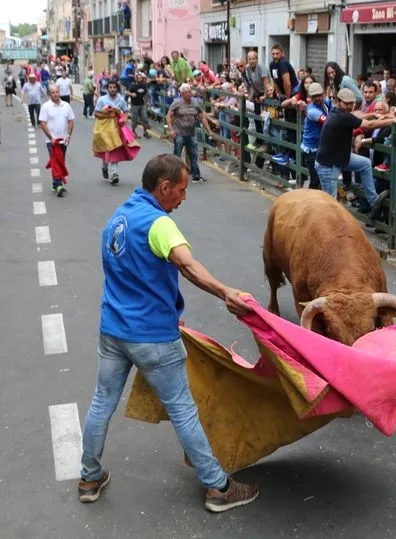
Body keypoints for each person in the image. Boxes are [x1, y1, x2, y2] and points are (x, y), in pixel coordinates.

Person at [79, 153, 260, 513]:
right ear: (164, 187)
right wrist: (225, 292)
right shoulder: (158, 224)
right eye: (181, 189)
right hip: (151, 336)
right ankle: (218, 487)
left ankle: (89, 477)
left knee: (102, 402)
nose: (184, 196)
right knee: (183, 410)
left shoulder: (118, 218)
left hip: (113, 329)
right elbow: (188, 266)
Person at [314, 88, 393, 211]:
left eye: (351, 103)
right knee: (330, 206)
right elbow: (369, 125)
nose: (349, 106)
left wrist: (372, 115)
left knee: (365, 164)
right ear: (337, 101)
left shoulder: (337, 111)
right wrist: (392, 120)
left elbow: (356, 114)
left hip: (339, 158)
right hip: (328, 165)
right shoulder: (341, 117)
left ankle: (373, 200)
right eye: (346, 103)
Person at [165, 83, 213, 184]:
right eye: (186, 92)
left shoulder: (195, 102)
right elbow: (169, 116)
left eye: (189, 92)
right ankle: (175, 176)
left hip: (191, 133)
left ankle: (196, 175)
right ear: (182, 94)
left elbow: (201, 116)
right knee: (177, 155)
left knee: (194, 155)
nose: (188, 94)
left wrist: (209, 130)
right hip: (179, 133)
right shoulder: (176, 103)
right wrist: (171, 129)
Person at [39, 86, 75, 197]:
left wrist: (68, 135)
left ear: (59, 93)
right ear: (50, 94)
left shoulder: (66, 105)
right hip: (52, 141)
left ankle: (56, 183)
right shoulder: (46, 107)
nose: (55, 94)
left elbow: (70, 121)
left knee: (61, 161)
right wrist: (51, 138)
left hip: (63, 140)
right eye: (52, 92)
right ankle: (58, 184)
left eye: (56, 92)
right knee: (55, 161)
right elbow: (43, 123)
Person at [94, 80, 130, 184]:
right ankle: (105, 167)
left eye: (114, 87)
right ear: (107, 88)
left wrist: (125, 118)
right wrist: (107, 115)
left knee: (115, 149)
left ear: (117, 88)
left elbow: (126, 111)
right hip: (104, 128)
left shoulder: (121, 100)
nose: (112, 89)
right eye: (110, 87)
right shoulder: (102, 100)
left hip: (116, 127)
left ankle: (114, 173)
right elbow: (96, 113)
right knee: (107, 149)